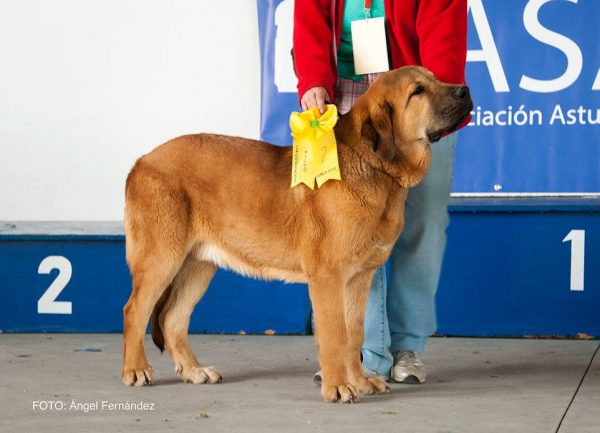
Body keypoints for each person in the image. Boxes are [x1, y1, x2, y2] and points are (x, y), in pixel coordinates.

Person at [293, 0, 469, 384]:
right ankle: (361, 353)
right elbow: (310, 17)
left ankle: (408, 346)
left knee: (424, 221)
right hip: (344, 97)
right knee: (350, 232)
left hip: (412, 99)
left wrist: (433, 106)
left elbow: (445, 33)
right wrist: (313, 81)